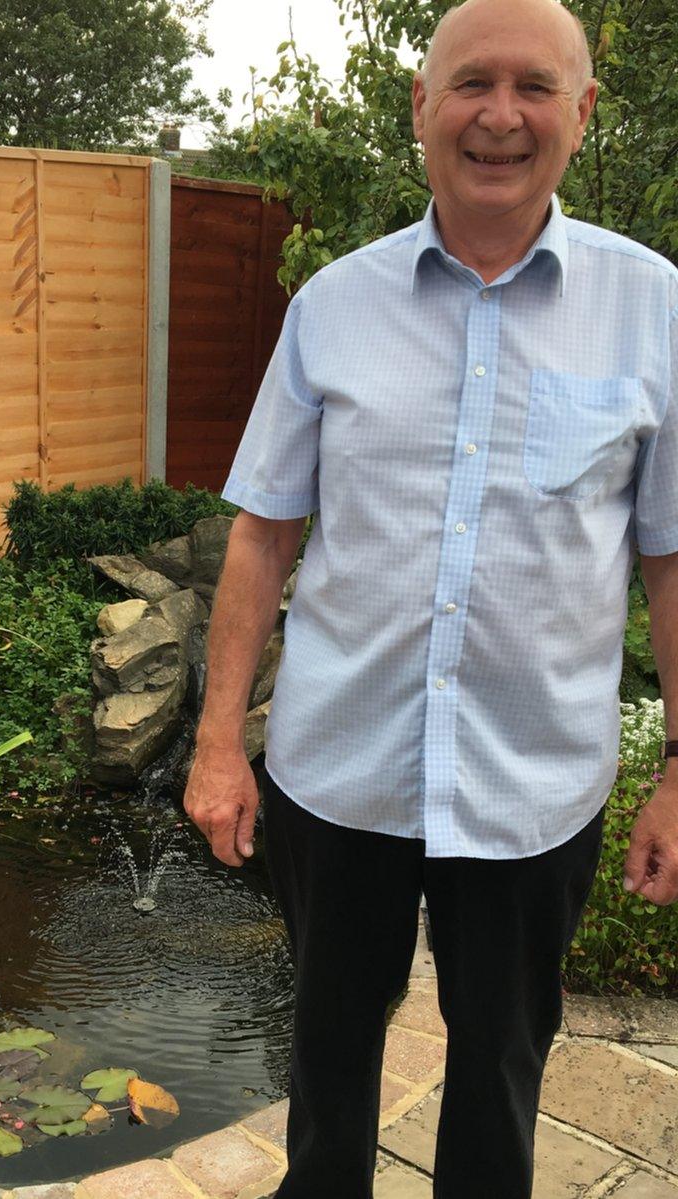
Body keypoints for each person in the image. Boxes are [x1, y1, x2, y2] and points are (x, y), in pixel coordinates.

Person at [182, 0, 678, 1195]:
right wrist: (215, 743)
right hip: (338, 771)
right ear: (420, 106)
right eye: (467, 83)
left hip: (532, 783)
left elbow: (669, 554)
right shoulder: (332, 308)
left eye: (533, 86)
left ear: (581, 111)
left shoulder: (654, 306)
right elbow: (261, 534)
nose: (497, 116)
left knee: (502, 1064)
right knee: (328, 1056)